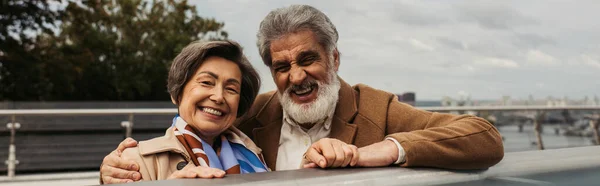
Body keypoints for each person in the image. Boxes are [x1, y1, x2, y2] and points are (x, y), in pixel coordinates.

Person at [100, 5, 503, 184]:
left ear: (335, 58)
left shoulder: (375, 107)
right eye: (281, 66)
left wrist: (375, 152)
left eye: (308, 59)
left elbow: (483, 136)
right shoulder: (249, 116)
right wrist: (114, 171)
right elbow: (188, 133)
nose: (296, 76)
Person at [117, 40, 267, 181]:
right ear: (177, 93)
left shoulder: (254, 152)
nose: (219, 97)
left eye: (231, 89)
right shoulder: (136, 161)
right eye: (206, 82)